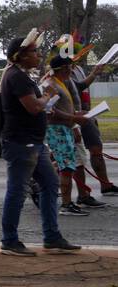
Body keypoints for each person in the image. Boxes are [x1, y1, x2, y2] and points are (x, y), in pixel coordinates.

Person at [0, 36, 82, 256]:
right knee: (17, 191)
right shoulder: (16, 77)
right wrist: (46, 97)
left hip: (33, 142)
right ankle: (9, 241)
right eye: (34, 51)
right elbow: (34, 107)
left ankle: (52, 237)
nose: (38, 55)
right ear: (22, 55)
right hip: (21, 143)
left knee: (50, 183)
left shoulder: (20, 75)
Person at [42, 56, 95, 217]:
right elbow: (50, 111)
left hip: (64, 128)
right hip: (56, 129)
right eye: (69, 68)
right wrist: (74, 118)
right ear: (62, 69)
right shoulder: (50, 84)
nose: (71, 70)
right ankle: (66, 204)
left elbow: (63, 108)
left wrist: (75, 118)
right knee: (66, 167)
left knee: (68, 166)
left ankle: (68, 202)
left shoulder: (61, 83)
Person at [70, 55, 116, 195]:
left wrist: (94, 73)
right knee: (71, 158)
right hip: (72, 119)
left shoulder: (75, 70)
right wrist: (73, 123)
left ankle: (105, 185)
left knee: (96, 149)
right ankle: (82, 195)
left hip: (86, 115)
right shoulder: (57, 75)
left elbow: (81, 85)